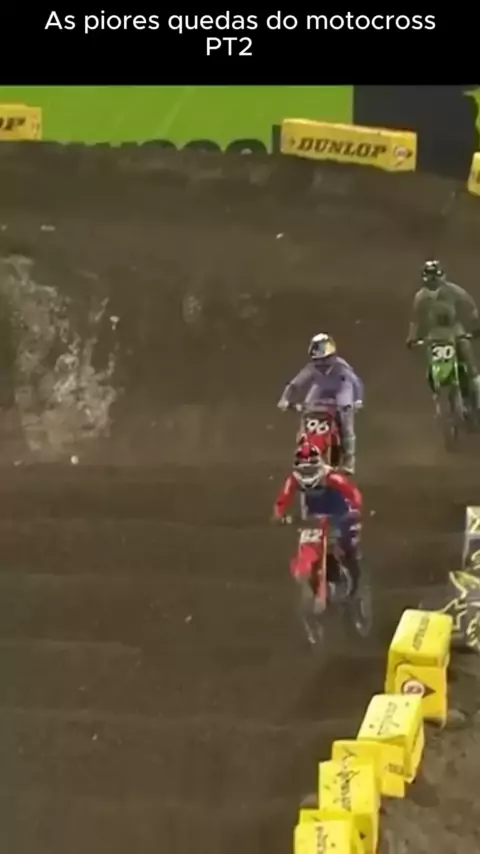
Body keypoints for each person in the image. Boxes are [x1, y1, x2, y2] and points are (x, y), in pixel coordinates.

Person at [271, 441, 362, 597]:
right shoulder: (293, 480)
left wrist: (354, 510)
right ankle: (311, 574)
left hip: (339, 512)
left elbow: (352, 493)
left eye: (310, 469)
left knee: (347, 545)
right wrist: (279, 515)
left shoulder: (331, 477)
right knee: (308, 544)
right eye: (304, 470)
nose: (307, 474)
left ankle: (355, 580)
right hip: (314, 515)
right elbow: (283, 499)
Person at [277, 333, 363, 474]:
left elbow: (355, 382)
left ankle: (349, 460)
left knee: (346, 422)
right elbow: (295, 384)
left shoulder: (341, 367)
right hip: (320, 389)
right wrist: (285, 398)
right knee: (307, 412)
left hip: (342, 389)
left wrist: (357, 400)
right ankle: (303, 445)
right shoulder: (312, 368)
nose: (321, 364)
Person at [406, 259, 480, 406]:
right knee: (432, 363)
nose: (433, 280)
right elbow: (415, 319)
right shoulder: (421, 296)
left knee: (467, 359)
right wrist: (412, 337)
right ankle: (437, 391)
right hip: (435, 334)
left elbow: (470, 304)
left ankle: (477, 393)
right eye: (430, 276)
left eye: (435, 276)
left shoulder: (453, 290)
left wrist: (475, 324)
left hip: (454, 330)